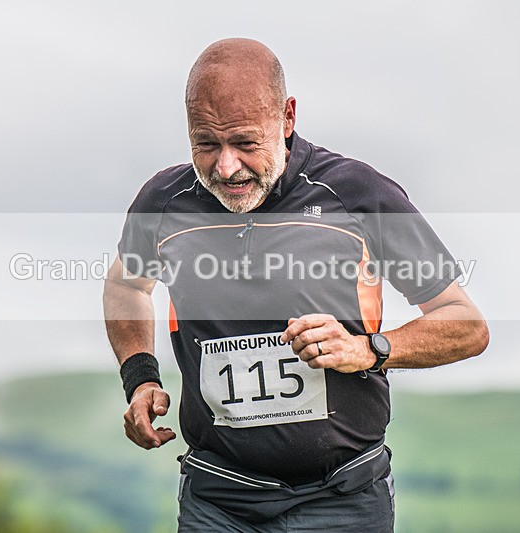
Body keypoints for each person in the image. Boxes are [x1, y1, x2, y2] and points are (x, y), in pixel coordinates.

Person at [103, 38, 489, 532]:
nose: (226, 167)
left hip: (344, 499)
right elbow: (127, 286)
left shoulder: (357, 194)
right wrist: (141, 377)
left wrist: (368, 349)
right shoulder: (164, 202)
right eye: (205, 143)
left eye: (244, 142)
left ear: (287, 118)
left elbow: (466, 323)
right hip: (218, 501)